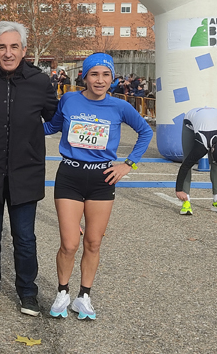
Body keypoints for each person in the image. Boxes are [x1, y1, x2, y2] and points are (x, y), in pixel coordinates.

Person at [43, 53, 152, 320]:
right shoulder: (70, 99)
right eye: (94, 74)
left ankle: (84, 297)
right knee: (69, 244)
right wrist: (19, 122)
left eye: (105, 75)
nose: (100, 80)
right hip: (70, 175)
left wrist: (128, 164)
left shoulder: (120, 106)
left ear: (112, 78)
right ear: (85, 77)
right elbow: (51, 127)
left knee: (92, 242)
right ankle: (62, 292)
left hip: (102, 180)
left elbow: (146, 131)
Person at [0, 21, 57, 316]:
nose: (8, 53)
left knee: (25, 237)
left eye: (14, 47)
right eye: (1, 47)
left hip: (26, 172)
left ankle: (28, 293)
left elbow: (56, 119)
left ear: (24, 50)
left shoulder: (39, 82)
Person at [175, 107, 217, 216]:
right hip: (193, 119)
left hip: (215, 119)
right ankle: (186, 201)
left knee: (216, 162)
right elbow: (185, 166)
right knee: (188, 158)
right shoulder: (202, 144)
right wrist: (178, 190)